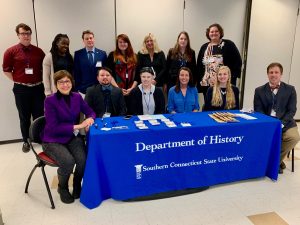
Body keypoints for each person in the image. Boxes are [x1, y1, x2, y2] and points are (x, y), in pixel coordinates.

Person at [41, 70, 95, 204]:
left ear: (72, 83)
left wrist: (90, 120)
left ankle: (77, 185)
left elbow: (90, 111)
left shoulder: (77, 97)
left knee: (83, 160)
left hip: (70, 137)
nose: (64, 84)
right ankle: (62, 187)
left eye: (67, 81)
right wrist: (78, 126)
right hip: (52, 139)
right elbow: (53, 127)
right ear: (56, 84)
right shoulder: (50, 100)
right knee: (68, 162)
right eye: (61, 82)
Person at [2, 23, 45, 153]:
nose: (26, 36)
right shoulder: (10, 51)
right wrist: (18, 80)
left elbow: (45, 68)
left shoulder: (38, 51)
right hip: (21, 90)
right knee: (24, 116)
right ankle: (26, 140)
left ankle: (39, 138)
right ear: (18, 35)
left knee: (39, 115)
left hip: (38, 88)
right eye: (23, 34)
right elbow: (6, 70)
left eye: (28, 33)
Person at [254, 62, 300, 174]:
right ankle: (277, 161)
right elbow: (258, 110)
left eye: (276, 72)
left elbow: (292, 110)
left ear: (281, 74)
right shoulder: (259, 90)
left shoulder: (290, 89)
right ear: (267, 74)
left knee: (293, 137)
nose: (273, 75)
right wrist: (270, 123)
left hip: (286, 122)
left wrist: (281, 123)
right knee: (260, 137)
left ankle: (275, 161)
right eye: (271, 72)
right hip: (267, 123)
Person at [197, 23, 242, 96]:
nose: (214, 33)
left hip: (224, 82)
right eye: (211, 32)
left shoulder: (229, 44)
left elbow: (238, 61)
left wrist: (232, 76)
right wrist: (200, 79)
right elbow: (199, 65)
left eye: (216, 31)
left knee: (224, 104)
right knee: (209, 104)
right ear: (208, 33)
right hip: (207, 83)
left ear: (220, 32)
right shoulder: (204, 47)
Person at [74, 30, 107, 95]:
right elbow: (76, 73)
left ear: (93, 39)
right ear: (83, 40)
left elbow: (105, 71)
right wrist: (78, 89)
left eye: (91, 38)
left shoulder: (102, 54)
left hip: (99, 89)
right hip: (83, 90)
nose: (89, 40)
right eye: (86, 39)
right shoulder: (78, 54)